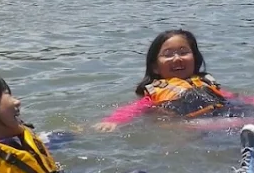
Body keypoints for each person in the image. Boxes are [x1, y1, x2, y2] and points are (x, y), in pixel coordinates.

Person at [99, 30, 231, 126]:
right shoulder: (155, 92)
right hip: (189, 124)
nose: (177, 58)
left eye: (183, 52)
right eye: (168, 54)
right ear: (155, 67)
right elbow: (135, 108)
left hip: (221, 117)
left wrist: (252, 101)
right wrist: (112, 121)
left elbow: (231, 98)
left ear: (195, 59)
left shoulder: (206, 83)